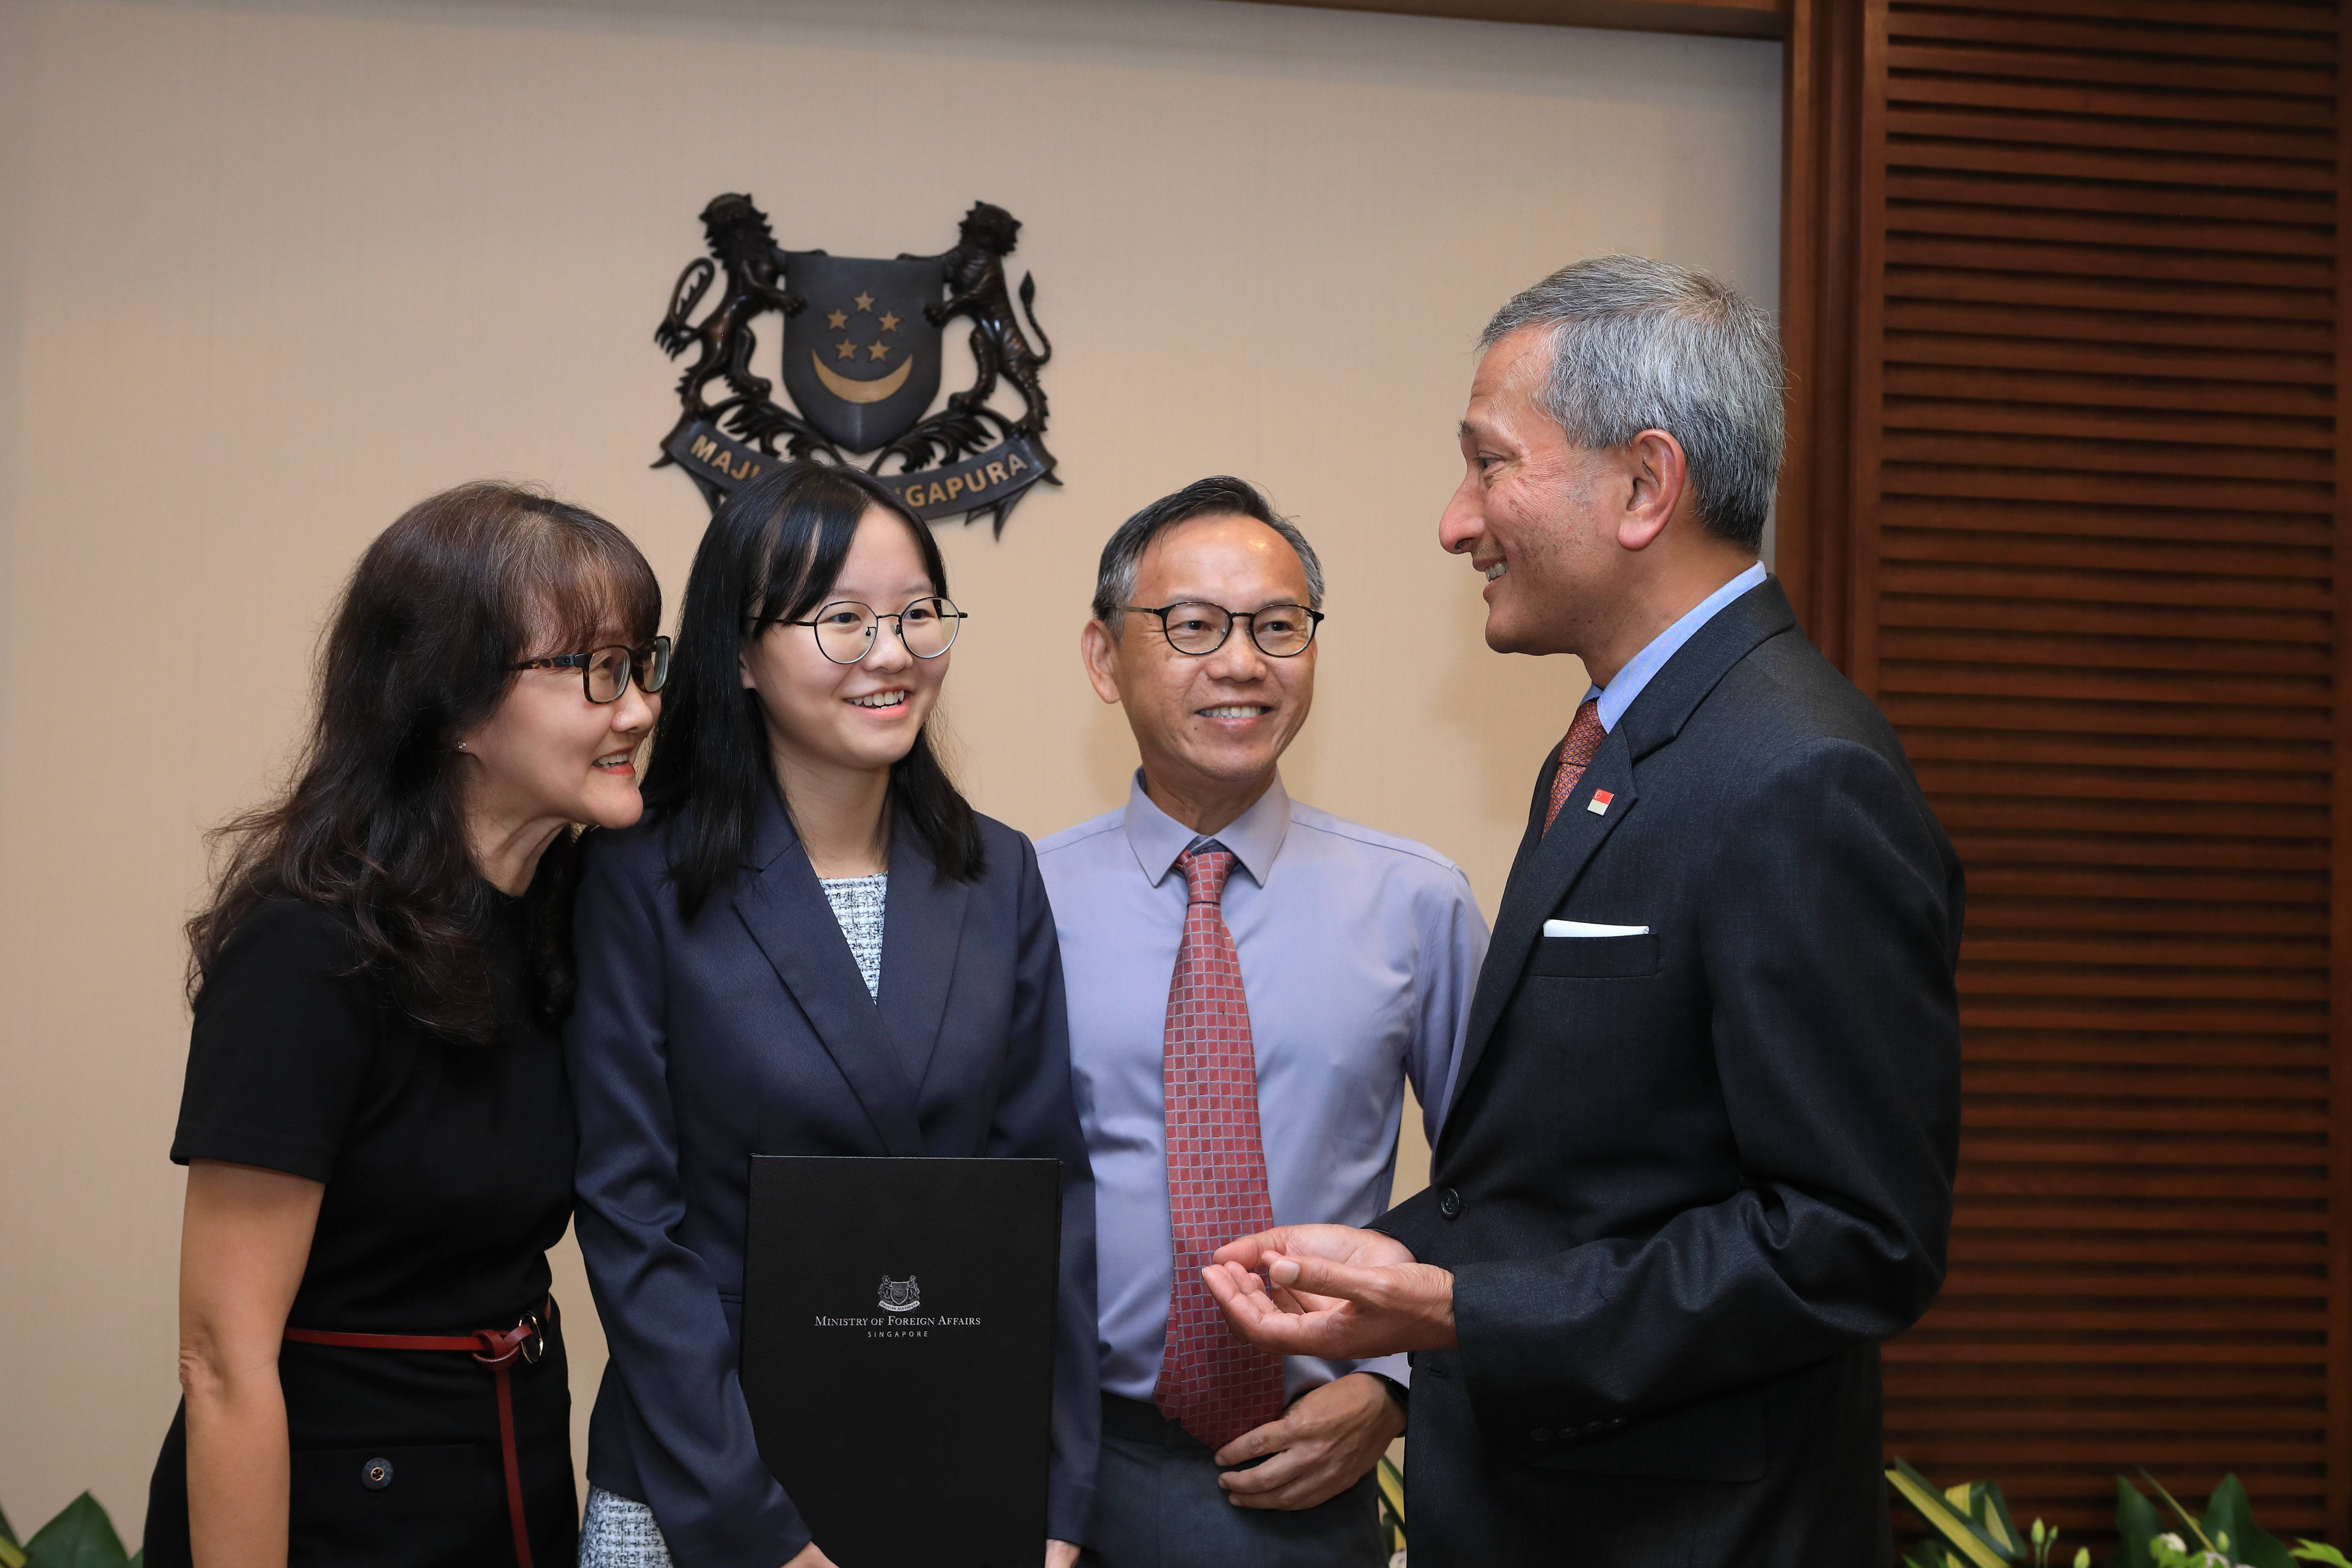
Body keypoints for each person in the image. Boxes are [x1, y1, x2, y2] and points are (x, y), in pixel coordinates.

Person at [1204, 257, 1965, 1566]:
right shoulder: (1633, 742)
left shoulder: (1798, 775)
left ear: (1643, 486)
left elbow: (1850, 1244)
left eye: (1490, 463)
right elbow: (1607, 1165)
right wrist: (1378, 1270)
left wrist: (1457, 1308)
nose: (1456, 521)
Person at [567, 459, 1097, 1568]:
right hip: (703, 1478)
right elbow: (632, 1223)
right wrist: (760, 1535)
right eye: (842, 620)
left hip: (953, 1462)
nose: (893, 652)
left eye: (916, 615)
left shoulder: (997, 874)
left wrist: (1054, 1498)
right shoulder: (638, 878)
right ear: (742, 653)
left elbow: (1048, 1202)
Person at [143, 482, 667, 1568]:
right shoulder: (305, 952)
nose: (638, 710)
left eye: (642, 666)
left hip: (507, 1480)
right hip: (336, 1512)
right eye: (597, 672)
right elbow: (221, 1357)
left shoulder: (569, 922)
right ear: (457, 706)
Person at [1036, 476, 1486, 1568]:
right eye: (1193, 626)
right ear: (1104, 659)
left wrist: (1394, 1391)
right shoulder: (1018, 902)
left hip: (1306, 1473)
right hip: (1066, 1472)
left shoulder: (1416, 901)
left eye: (1278, 627)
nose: (1241, 662)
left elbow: (1515, 1181)